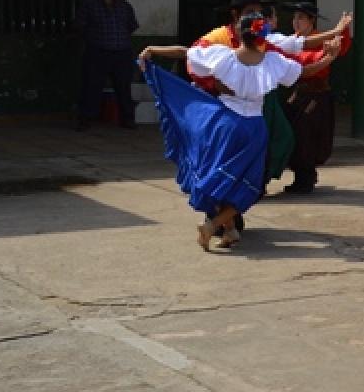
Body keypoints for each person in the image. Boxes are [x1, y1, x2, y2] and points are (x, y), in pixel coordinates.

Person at [139, 14, 340, 251]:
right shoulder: (272, 62)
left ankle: (231, 229)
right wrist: (330, 56)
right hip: (252, 127)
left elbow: (185, 52)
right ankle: (213, 225)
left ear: (240, 34)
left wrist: (152, 48)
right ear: (263, 36)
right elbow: (307, 71)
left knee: (220, 175)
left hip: (223, 124)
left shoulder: (223, 56)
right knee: (249, 183)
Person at [283, 2, 351, 195]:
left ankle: (305, 177)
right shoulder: (292, 41)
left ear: (311, 21)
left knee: (306, 135)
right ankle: (301, 174)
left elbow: (317, 59)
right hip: (298, 92)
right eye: (294, 18)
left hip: (315, 95)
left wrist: (341, 31)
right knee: (292, 133)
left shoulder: (319, 40)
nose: (295, 22)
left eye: (301, 18)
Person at [73, 0, 140, 131]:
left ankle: (127, 120)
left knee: (123, 87)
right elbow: (79, 26)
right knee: (91, 87)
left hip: (121, 52)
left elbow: (131, 27)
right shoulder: (90, 5)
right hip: (97, 52)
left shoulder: (125, 6)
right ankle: (85, 120)